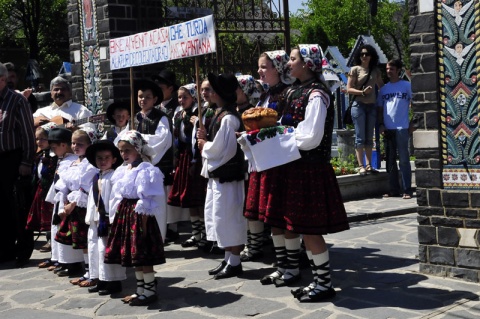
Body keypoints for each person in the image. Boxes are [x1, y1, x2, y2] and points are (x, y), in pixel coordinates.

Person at [268, 44, 349, 302]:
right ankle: (318, 280)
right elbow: (287, 127)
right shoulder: (296, 91)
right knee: (303, 228)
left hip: (311, 169)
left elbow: (312, 137)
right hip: (297, 168)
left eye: (292, 59)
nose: (288, 64)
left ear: (307, 64)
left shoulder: (317, 94)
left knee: (311, 230)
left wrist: (283, 139)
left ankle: (324, 284)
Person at [104, 130, 166, 306]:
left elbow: (147, 200)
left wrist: (144, 225)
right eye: (121, 151)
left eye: (127, 150)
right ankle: (140, 289)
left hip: (140, 216)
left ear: (137, 149)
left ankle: (150, 290)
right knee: (135, 255)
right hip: (127, 214)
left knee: (144, 254)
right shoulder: (125, 170)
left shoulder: (145, 170)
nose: (124, 154)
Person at [242, 50, 293, 263]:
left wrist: (260, 132)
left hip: (279, 160)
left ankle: (291, 256)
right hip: (264, 159)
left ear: (277, 68)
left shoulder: (287, 94)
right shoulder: (265, 95)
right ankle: (280, 257)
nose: (259, 71)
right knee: (265, 210)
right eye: (259, 67)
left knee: (281, 212)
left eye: (264, 67)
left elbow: (288, 125)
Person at [197, 73, 247, 280]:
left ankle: (235, 260)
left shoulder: (228, 118)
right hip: (218, 177)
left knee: (229, 218)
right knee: (219, 219)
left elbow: (223, 150)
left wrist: (204, 146)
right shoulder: (219, 114)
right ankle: (227, 257)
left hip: (229, 178)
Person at [0, 62, 36, 265]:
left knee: (17, 206)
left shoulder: (17, 101)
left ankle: (22, 250)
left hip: (12, 159)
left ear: (3, 80)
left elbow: (28, 135)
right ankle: (4, 249)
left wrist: (26, 161)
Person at [83, 140, 126, 295]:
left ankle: (113, 282)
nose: (103, 161)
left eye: (106, 157)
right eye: (99, 158)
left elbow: (116, 199)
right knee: (94, 250)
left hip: (106, 221)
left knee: (106, 251)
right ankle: (100, 279)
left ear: (114, 159)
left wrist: (111, 219)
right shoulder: (96, 177)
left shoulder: (114, 177)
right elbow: (91, 200)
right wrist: (89, 217)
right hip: (95, 222)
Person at [54, 128, 98, 279]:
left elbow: (84, 187)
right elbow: (63, 186)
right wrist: (62, 206)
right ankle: (87, 269)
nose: (75, 146)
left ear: (89, 144)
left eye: (80, 143)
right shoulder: (70, 163)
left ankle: (91, 270)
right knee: (79, 240)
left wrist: (73, 203)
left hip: (83, 206)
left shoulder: (90, 164)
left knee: (86, 239)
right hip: (71, 207)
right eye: (73, 143)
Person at [168, 83, 208, 248]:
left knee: (199, 198)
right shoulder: (178, 115)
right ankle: (196, 233)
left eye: (185, 97)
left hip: (195, 158)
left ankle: (205, 234)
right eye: (179, 97)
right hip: (183, 157)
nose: (181, 100)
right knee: (189, 197)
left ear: (193, 97)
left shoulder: (199, 113)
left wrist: (197, 123)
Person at [377, 59, 413, 199]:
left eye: (391, 69)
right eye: (387, 69)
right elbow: (380, 109)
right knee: (390, 161)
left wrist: (413, 123)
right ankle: (393, 189)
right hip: (388, 129)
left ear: (398, 70)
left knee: (404, 159)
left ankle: (407, 189)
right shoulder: (384, 89)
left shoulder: (406, 85)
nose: (388, 71)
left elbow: (416, 103)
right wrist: (380, 124)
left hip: (402, 127)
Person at [346, 44, 384, 176]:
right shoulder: (355, 69)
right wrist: (362, 92)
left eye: (366, 54)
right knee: (360, 136)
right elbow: (348, 89)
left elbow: (382, 86)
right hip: (359, 105)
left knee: (369, 137)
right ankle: (361, 165)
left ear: (371, 56)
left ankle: (369, 165)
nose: (364, 56)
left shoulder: (375, 70)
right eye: (361, 54)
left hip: (372, 106)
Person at [44, 128, 77, 273]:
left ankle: (72, 263)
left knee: (65, 231)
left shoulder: (71, 161)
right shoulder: (62, 159)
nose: (53, 151)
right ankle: (60, 260)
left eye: (54, 147)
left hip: (66, 200)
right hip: (59, 199)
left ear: (64, 145)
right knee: (57, 229)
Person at [27, 123, 59, 257]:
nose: (39, 142)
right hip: (41, 189)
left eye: (43, 139)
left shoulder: (54, 157)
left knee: (51, 216)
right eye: (37, 139)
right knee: (44, 216)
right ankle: (49, 239)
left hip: (50, 190)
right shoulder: (40, 155)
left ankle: (53, 242)